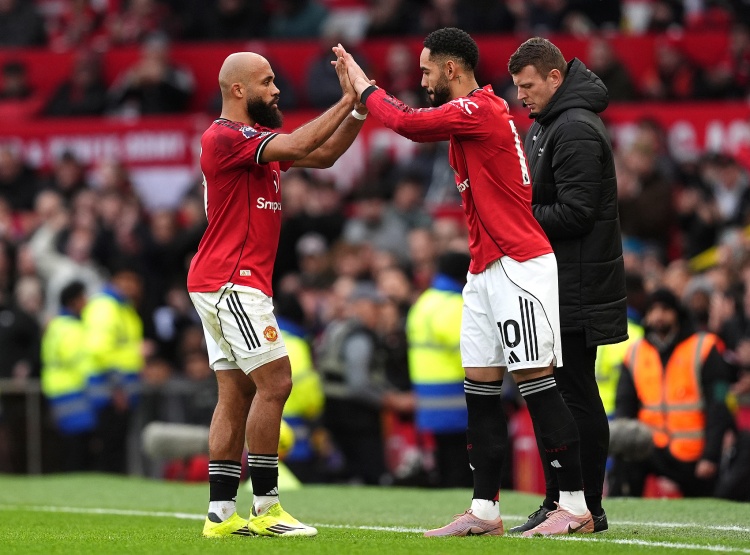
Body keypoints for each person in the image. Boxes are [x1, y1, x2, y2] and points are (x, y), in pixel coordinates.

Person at [337, 27, 594, 537]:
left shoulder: (480, 109)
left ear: (450, 69)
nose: (422, 80)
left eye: (426, 70)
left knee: (537, 384)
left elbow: (407, 123)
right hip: (483, 269)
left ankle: (575, 505)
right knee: (479, 390)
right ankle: (484, 510)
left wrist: (365, 88)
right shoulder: (470, 116)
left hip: (518, 265)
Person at [186, 49, 368, 538]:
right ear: (238, 89)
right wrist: (347, 96)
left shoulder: (254, 143)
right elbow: (300, 141)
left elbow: (323, 155)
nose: (276, 89)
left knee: (236, 393)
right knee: (277, 382)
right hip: (232, 280)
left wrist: (358, 111)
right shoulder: (226, 136)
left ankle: (221, 516)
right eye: (267, 82)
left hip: (224, 281)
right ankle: (267, 509)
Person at [507, 36, 627, 533]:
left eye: (528, 86)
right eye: (517, 87)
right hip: (559, 280)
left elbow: (577, 213)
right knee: (560, 394)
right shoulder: (550, 122)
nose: (521, 96)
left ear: (555, 77)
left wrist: (516, 216)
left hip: (576, 283)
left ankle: (586, 505)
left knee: (575, 393)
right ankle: (561, 499)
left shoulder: (574, 126)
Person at [611, 289, 735, 497]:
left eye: (665, 309)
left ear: (677, 313)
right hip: (650, 446)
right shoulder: (636, 352)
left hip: (693, 452)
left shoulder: (703, 347)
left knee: (705, 506)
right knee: (625, 461)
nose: (658, 316)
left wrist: (710, 456)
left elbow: (718, 404)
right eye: (652, 310)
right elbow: (625, 403)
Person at [406, 251, 472, 488]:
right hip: (456, 395)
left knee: (444, 457)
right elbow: (469, 354)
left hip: (428, 396)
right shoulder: (455, 305)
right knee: (461, 463)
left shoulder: (424, 302)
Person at [40, 281, 96, 472]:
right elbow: (78, 360)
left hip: (59, 389)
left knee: (72, 443)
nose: (86, 301)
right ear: (74, 301)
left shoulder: (56, 325)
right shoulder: (71, 327)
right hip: (72, 390)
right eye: (83, 297)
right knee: (78, 445)